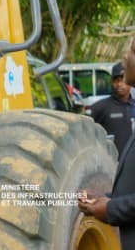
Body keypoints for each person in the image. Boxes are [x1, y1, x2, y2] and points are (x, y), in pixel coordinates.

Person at [80, 41, 135, 248]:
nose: (125, 56)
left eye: (133, 50)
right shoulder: (100, 107)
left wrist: (111, 208)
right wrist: (107, 198)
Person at [90, 62, 135, 153]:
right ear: (111, 82)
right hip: (111, 160)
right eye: (116, 80)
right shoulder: (100, 107)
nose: (119, 84)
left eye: (123, 80)